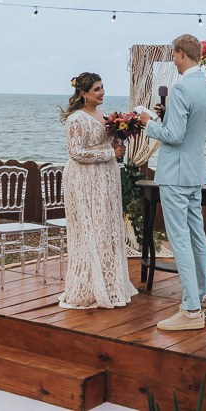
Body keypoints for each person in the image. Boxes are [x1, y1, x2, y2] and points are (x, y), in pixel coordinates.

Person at [139, 34, 206, 330]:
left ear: (182, 53)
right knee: (197, 236)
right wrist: (168, 115)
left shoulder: (182, 88)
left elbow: (173, 136)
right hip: (195, 173)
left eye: (174, 54)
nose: (173, 60)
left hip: (174, 174)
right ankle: (205, 299)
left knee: (179, 239)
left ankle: (190, 310)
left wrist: (149, 124)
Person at [57, 72, 138, 309]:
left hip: (106, 179)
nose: (102, 92)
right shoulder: (76, 119)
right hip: (84, 180)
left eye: (102, 87)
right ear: (83, 93)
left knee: (106, 228)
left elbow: (107, 144)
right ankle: (89, 285)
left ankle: (110, 283)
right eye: (96, 89)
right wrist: (110, 153)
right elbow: (76, 152)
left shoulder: (104, 114)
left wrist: (120, 139)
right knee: (90, 229)